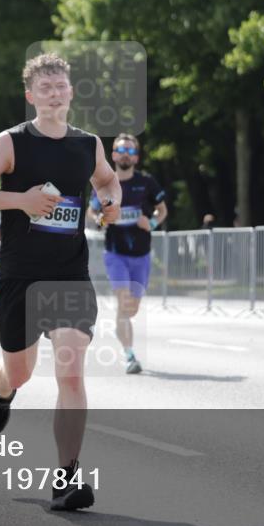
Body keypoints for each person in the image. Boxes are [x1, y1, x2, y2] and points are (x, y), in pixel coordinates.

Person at [0, 52, 121, 511]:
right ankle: (3, 389)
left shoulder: (88, 144)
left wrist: (110, 203)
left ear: (71, 93)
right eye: (44, 88)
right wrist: (22, 201)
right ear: (31, 96)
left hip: (69, 273)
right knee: (21, 372)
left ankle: (66, 477)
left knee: (70, 371)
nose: (53, 94)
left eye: (60, 86)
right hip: (20, 276)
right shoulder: (11, 142)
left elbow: (107, 181)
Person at [87, 133, 167, 375]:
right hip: (116, 253)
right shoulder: (105, 183)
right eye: (121, 150)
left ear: (136, 157)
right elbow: (93, 212)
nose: (125, 155)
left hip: (141, 254)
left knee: (132, 309)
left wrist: (151, 223)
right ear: (113, 155)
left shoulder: (147, 182)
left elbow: (162, 210)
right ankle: (129, 354)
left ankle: (121, 327)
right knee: (123, 303)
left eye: (130, 151)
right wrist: (102, 220)